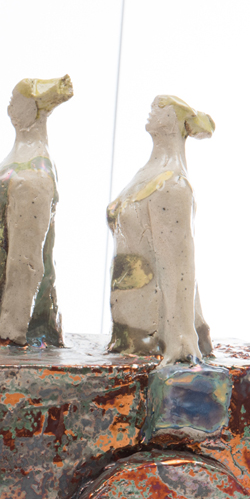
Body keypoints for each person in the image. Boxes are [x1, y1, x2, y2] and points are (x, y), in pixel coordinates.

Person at [107, 95, 214, 363]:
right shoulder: (147, 173)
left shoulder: (173, 184)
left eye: (160, 107)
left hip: (148, 337)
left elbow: (178, 267)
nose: (152, 111)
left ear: (174, 120)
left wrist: (181, 339)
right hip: (129, 328)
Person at [0, 76, 73, 346]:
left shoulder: (34, 172)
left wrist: (10, 333)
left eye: (15, 101)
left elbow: (26, 261)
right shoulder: (19, 159)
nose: (9, 107)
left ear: (32, 108)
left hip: (10, 337)